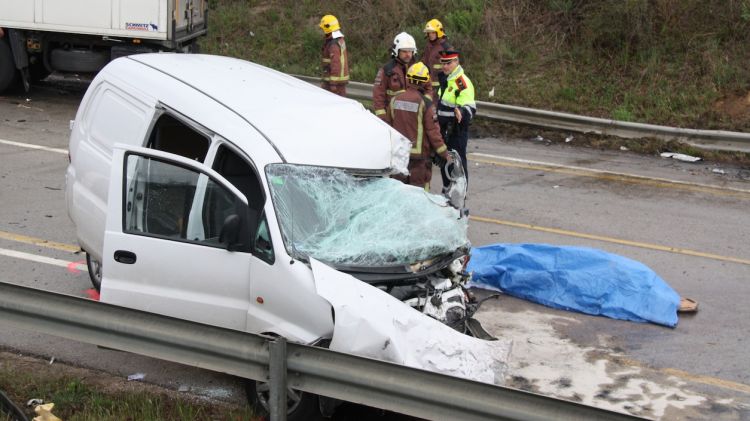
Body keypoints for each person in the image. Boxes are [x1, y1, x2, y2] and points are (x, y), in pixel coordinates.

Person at [389, 62, 451, 190]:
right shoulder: (426, 104)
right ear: (426, 81)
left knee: (397, 192)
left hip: (398, 156)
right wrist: (444, 154)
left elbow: (388, 127)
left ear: (407, 79)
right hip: (419, 160)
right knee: (419, 195)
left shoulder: (394, 100)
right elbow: (433, 132)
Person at [437, 50, 475, 188]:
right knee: (445, 165)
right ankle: (448, 192)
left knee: (458, 168)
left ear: (456, 62)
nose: (445, 66)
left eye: (448, 63)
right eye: (443, 63)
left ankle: (459, 198)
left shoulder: (461, 82)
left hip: (456, 131)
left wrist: (462, 112)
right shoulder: (445, 80)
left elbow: (469, 106)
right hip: (443, 131)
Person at [372, 32, 431, 123]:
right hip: (393, 118)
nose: (408, 54)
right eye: (404, 51)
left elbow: (429, 89)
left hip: (415, 118)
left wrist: (426, 107)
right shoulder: (387, 71)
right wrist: (383, 119)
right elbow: (378, 96)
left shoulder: (420, 69)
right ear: (396, 51)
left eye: (410, 51)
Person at [422, 19, 453, 103]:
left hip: (442, 87)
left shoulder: (446, 47)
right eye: (429, 33)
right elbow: (424, 63)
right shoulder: (428, 46)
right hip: (428, 86)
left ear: (438, 32)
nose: (430, 35)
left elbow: (453, 67)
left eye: (433, 32)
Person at [319, 15, 349, 96]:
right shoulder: (339, 40)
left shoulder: (333, 44)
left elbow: (336, 63)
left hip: (334, 84)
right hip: (336, 82)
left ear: (327, 28)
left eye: (323, 29)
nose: (322, 31)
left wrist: (333, 84)